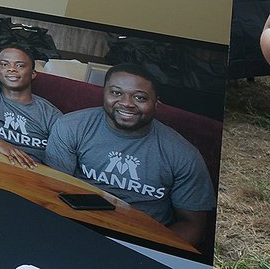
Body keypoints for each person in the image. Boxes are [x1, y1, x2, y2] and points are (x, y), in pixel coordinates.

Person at [45, 65, 215, 248]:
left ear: (157, 102)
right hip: (78, 228)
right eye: (116, 93)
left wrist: (149, 251)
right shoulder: (71, 126)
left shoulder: (183, 154)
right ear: (104, 94)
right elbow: (54, 191)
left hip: (144, 239)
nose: (126, 103)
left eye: (140, 97)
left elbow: (192, 224)